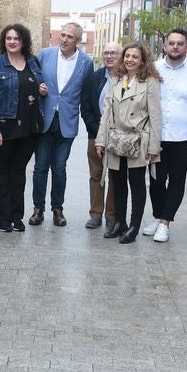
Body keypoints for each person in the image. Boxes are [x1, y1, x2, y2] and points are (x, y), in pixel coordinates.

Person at [0, 24, 48, 233]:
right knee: (2, 172)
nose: (12, 42)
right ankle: (2, 217)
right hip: (4, 127)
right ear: (4, 41)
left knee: (19, 172)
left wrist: (42, 91)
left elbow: (38, 87)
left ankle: (16, 215)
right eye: (8, 38)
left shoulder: (32, 61)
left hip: (30, 128)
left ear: (23, 41)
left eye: (16, 38)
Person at [96, 42, 161, 244]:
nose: (130, 60)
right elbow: (106, 111)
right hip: (115, 139)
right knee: (118, 183)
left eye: (135, 57)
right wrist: (100, 140)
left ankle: (134, 225)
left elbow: (155, 115)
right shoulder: (116, 78)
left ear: (143, 60)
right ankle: (120, 223)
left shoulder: (150, 81)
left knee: (137, 184)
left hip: (138, 140)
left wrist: (153, 147)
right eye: (127, 56)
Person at [31, 22, 94, 228]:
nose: (64, 39)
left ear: (78, 41)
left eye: (69, 37)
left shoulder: (86, 62)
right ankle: (38, 209)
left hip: (67, 123)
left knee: (59, 168)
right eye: (63, 35)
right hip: (44, 120)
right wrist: (38, 90)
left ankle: (57, 209)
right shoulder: (45, 55)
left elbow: (86, 94)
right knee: (40, 167)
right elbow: (33, 81)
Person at [146, 29, 187, 243]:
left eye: (180, 43)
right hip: (157, 135)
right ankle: (157, 216)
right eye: (171, 43)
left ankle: (165, 223)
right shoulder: (153, 69)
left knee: (176, 180)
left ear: (186, 47)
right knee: (155, 180)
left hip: (185, 136)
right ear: (164, 46)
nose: (175, 47)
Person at [81, 42, 121, 231]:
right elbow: (86, 106)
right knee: (96, 175)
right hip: (95, 135)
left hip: (119, 137)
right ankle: (95, 214)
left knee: (115, 176)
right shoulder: (94, 78)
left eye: (113, 53)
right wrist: (97, 131)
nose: (109, 56)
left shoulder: (128, 79)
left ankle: (112, 216)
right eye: (106, 53)